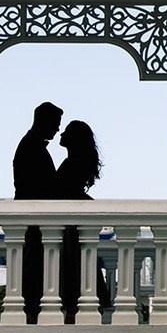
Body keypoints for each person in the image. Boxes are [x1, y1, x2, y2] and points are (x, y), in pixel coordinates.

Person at [12, 101, 63, 324]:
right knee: (33, 269)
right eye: (56, 123)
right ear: (45, 121)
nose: (58, 129)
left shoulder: (33, 145)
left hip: (36, 221)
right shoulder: (32, 148)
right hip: (33, 221)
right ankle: (31, 313)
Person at [53, 120, 110, 319]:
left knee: (71, 276)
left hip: (69, 230)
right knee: (78, 274)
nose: (61, 134)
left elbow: (63, 194)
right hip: (73, 229)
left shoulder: (71, 164)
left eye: (66, 132)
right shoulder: (75, 164)